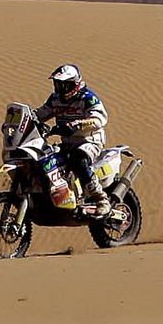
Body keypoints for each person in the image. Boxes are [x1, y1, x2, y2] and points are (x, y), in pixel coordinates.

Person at [35, 63, 111, 216]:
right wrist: (23, 120)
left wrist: (76, 125)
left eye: (64, 85)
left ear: (74, 84)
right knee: (46, 161)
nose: (60, 88)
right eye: (58, 84)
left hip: (89, 141)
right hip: (68, 143)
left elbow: (99, 119)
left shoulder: (87, 98)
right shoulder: (55, 99)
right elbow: (40, 114)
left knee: (78, 160)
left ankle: (101, 199)